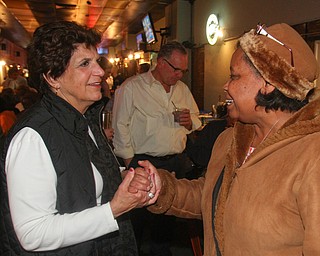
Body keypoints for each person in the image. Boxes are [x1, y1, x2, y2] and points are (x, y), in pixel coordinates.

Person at [146, 23, 320, 256]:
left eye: (234, 76)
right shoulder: (229, 139)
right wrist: (161, 188)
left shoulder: (312, 156)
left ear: (268, 84)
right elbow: (212, 197)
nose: (226, 86)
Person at [0, 20, 159, 256]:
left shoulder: (84, 119)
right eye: (85, 63)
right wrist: (114, 209)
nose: (100, 71)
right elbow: (33, 234)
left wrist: (128, 178)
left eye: (96, 61)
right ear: (53, 78)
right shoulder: (32, 136)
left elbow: (85, 181)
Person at [112, 41, 201, 255]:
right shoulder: (132, 87)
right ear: (160, 63)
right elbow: (119, 125)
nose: (180, 75)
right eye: (176, 69)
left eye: (184, 70)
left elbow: (196, 121)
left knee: (167, 220)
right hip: (143, 161)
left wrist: (188, 121)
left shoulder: (183, 90)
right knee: (136, 221)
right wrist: (129, 163)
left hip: (175, 163)